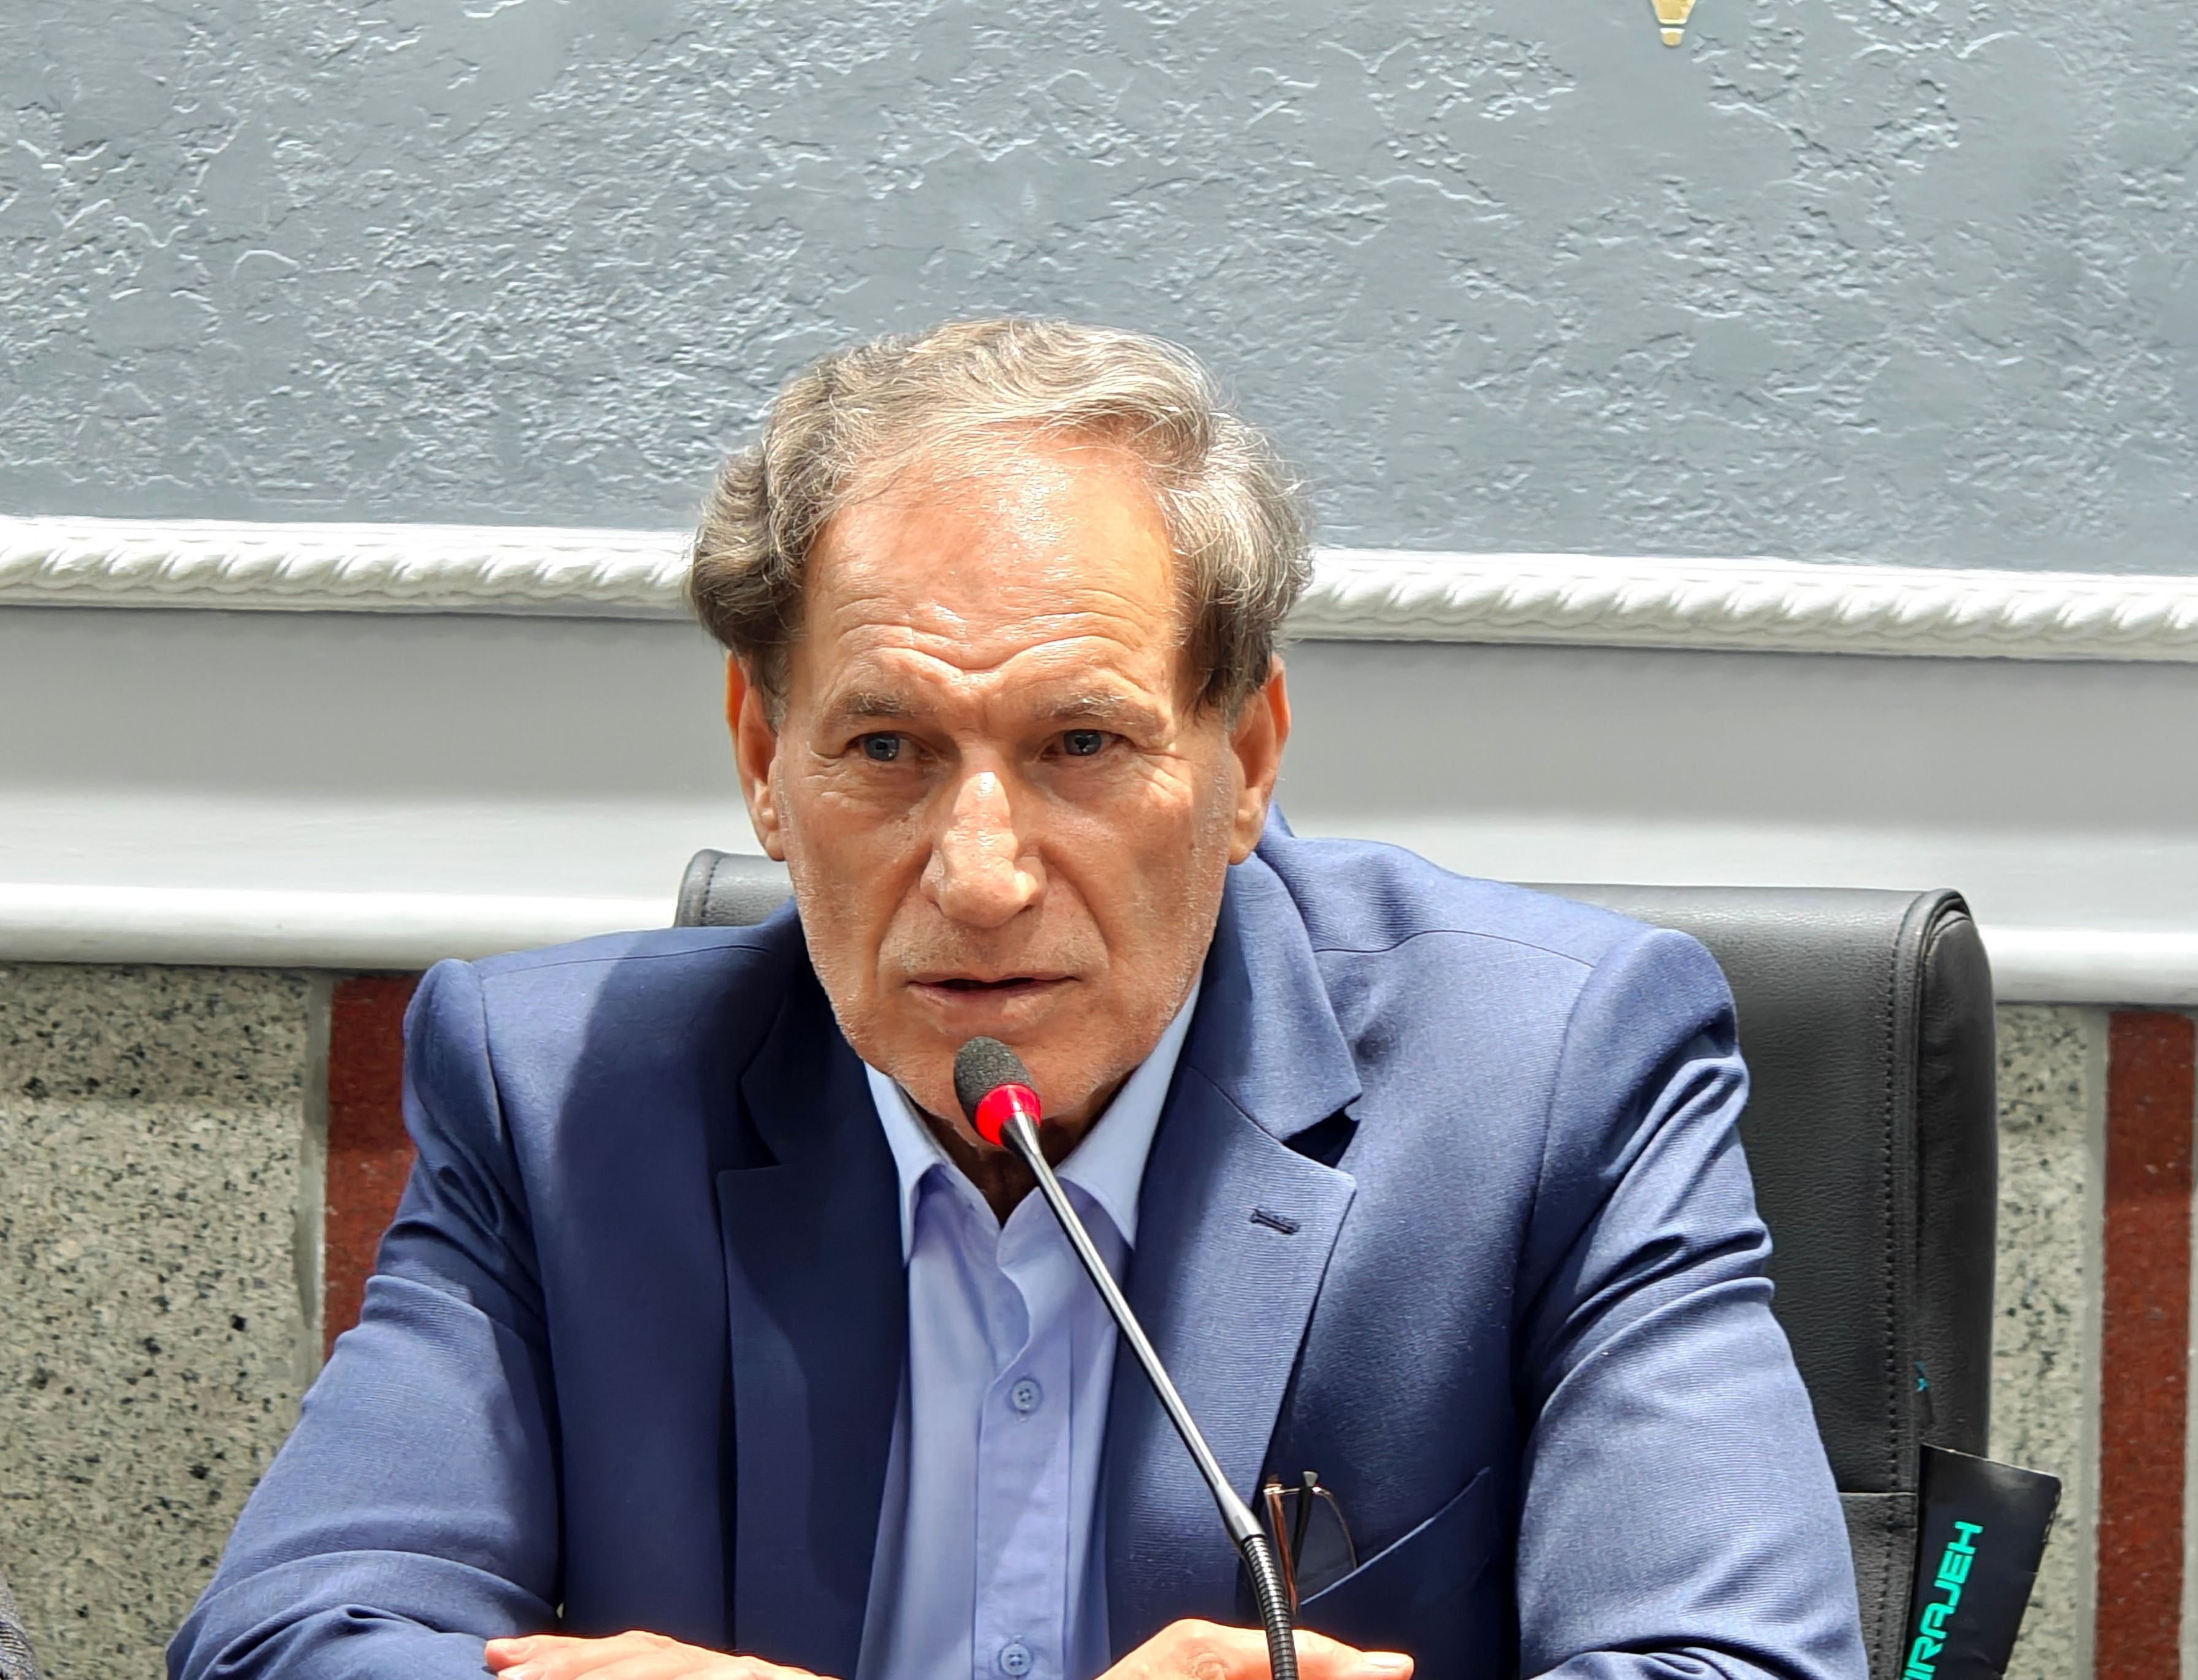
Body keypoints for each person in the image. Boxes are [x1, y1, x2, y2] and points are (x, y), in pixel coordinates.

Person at [170, 319, 1865, 1680]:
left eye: (1081, 743)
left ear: (1244, 757)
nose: (979, 874)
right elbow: (284, 1637)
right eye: (886, 745)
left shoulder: (1553, 1077)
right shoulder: (557, 1098)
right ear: (765, 761)